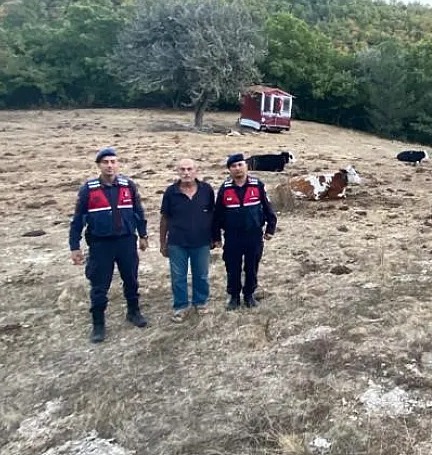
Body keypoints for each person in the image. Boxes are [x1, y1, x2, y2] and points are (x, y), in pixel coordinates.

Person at [69, 147, 150, 343]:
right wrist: (74, 246)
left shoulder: (128, 185)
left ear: (118, 164)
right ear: (99, 165)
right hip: (100, 244)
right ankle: (98, 324)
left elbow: (138, 211)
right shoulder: (89, 188)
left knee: (131, 279)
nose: (110, 166)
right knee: (99, 285)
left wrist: (143, 235)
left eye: (113, 162)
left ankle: (133, 312)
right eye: (105, 162)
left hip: (126, 241)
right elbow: (78, 219)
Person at [211, 153, 277, 310]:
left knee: (251, 266)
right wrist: (216, 236)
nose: (237, 169)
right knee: (232, 267)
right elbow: (217, 214)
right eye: (233, 166)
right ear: (229, 170)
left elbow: (268, 208)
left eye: (240, 165)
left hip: (253, 235)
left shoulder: (257, 185)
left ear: (246, 166)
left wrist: (270, 228)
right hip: (232, 236)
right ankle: (234, 296)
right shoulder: (225, 188)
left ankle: (249, 295)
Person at [159, 158, 215, 322]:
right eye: (182, 169)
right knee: (178, 277)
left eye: (189, 169)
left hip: (202, 241)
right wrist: (163, 243)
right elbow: (164, 218)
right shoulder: (171, 192)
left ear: (196, 171)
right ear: (178, 172)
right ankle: (181, 307)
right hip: (177, 242)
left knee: (202, 275)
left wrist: (215, 237)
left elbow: (213, 215)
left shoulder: (207, 190)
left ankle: (201, 302)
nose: (186, 173)